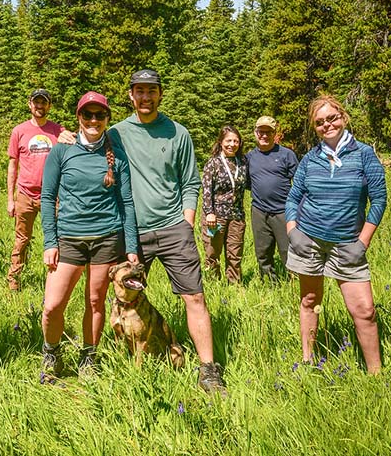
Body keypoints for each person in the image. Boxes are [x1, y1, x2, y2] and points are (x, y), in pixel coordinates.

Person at [108, 69, 227, 392]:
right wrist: (64, 136)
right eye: (139, 91)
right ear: (131, 95)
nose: (145, 97)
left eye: (151, 91)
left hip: (174, 227)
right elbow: (88, 145)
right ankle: (124, 361)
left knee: (195, 296)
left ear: (160, 93)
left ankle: (207, 369)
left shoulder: (178, 133)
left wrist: (187, 222)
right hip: (132, 229)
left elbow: (190, 182)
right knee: (123, 297)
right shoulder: (116, 133)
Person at [285, 94, 387, 373]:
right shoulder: (309, 159)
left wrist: (362, 242)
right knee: (309, 301)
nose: (327, 125)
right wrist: (293, 232)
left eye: (332, 118)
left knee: (365, 311)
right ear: (314, 127)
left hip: (348, 244)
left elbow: (378, 200)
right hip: (309, 241)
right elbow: (293, 198)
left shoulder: (364, 154)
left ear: (343, 117)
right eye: (320, 122)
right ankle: (307, 361)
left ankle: (376, 375)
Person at [40, 91, 138, 378]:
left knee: (95, 302)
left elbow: (127, 202)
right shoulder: (62, 150)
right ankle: (51, 352)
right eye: (87, 114)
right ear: (78, 117)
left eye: (99, 115)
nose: (93, 120)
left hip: (107, 238)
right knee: (52, 305)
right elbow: (48, 197)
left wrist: (130, 246)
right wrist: (49, 241)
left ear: (107, 118)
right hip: (69, 238)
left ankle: (88, 357)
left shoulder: (117, 157)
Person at [5, 89, 64, 291]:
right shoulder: (19, 131)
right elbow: (13, 166)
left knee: (58, 237)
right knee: (22, 239)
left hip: (53, 195)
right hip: (25, 194)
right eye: (36, 102)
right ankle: (14, 279)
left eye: (44, 102)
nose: (40, 106)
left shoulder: (58, 131)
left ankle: (59, 279)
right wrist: (10, 199)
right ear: (30, 104)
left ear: (49, 106)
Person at [246, 116, 298, 281]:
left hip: (283, 211)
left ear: (275, 134)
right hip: (259, 211)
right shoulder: (249, 157)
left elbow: (298, 183)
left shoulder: (286, 154)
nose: (264, 135)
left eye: (268, 132)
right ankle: (269, 283)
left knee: (287, 250)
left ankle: (294, 283)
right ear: (255, 133)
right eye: (261, 131)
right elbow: (247, 183)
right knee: (263, 251)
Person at [201, 125, 249, 284]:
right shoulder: (213, 163)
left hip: (237, 216)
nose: (232, 144)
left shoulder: (242, 162)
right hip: (216, 218)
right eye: (228, 140)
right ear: (221, 142)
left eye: (236, 141)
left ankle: (234, 286)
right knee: (212, 253)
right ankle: (213, 285)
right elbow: (206, 189)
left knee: (235, 254)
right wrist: (209, 213)